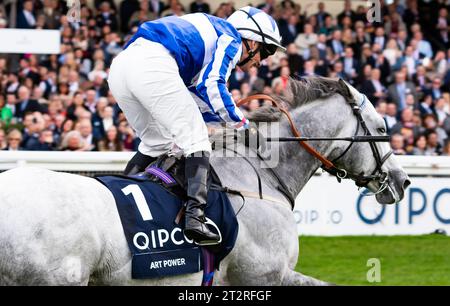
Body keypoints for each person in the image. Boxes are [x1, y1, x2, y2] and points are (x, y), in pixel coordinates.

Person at [108, 6, 285, 245]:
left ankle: (115, 201)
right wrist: (242, 125)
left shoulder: (211, 33)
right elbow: (212, 85)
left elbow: (196, 96)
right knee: (196, 139)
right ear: (252, 42)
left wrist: (231, 123)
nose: (261, 62)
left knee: (155, 144)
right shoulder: (231, 37)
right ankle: (195, 218)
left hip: (121, 68)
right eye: (266, 51)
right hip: (152, 65)